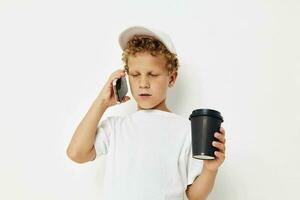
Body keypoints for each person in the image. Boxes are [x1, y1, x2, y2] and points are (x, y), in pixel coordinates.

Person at [66, 25, 226, 200]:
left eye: (153, 74)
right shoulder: (116, 128)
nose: (143, 83)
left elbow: (195, 196)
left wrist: (210, 169)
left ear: (171, 78)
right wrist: (101, 102)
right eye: (135, 74)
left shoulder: (187, 131)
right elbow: (76, 153)